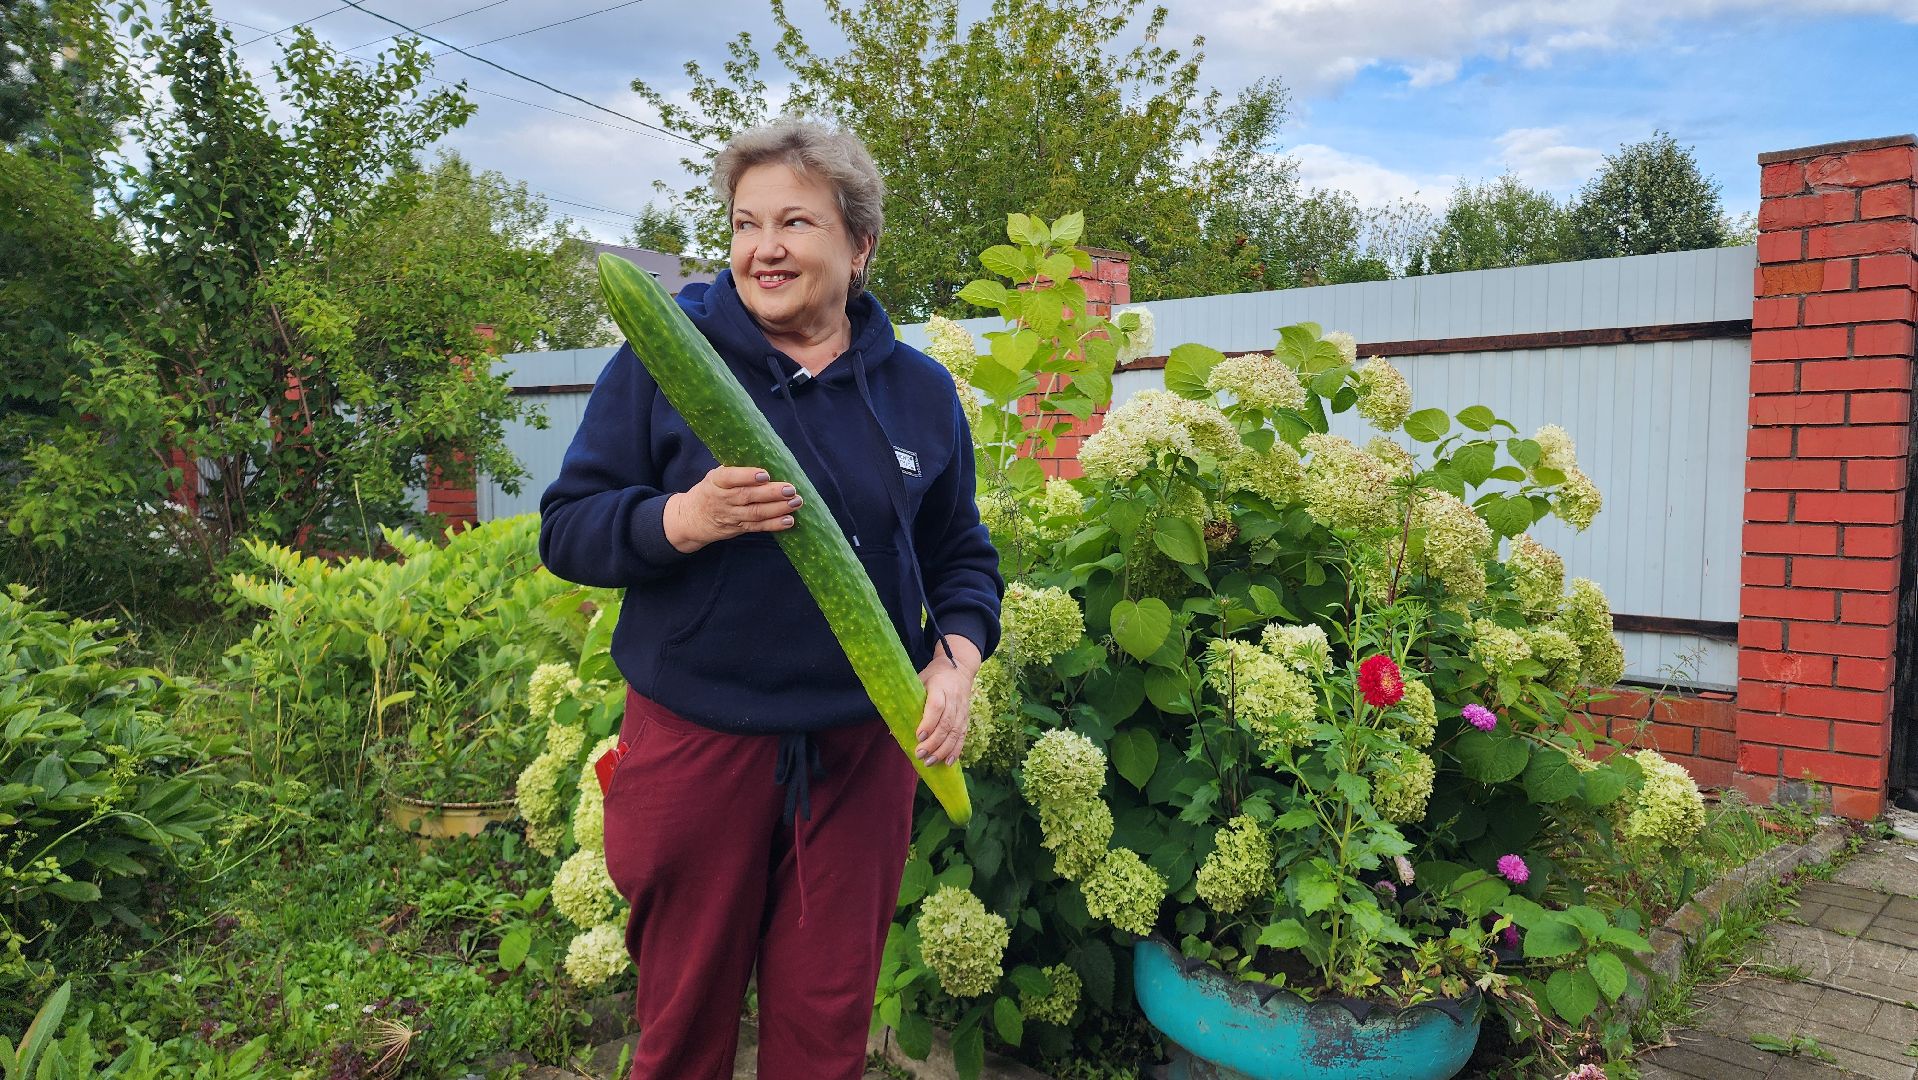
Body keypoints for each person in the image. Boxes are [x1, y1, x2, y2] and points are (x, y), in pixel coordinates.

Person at [537, 119, 1004, 1080]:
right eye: (746, 224)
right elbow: (567, 528)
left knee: (825, 1034)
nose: (765, 248)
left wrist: (957, 660)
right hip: (696, 746)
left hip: (860, 752)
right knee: (681, 1028)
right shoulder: (664, 363)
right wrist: (682, 519)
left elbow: (961, 555)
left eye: (795, 221)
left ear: (859, 245)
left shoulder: (920, 392)